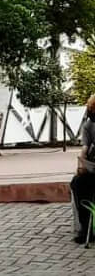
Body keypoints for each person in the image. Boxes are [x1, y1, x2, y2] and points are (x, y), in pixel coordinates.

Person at [72, 93, 95, 243]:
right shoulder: (88, 125)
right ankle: (86, 228)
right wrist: (81, 164)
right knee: (78, 183)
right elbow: (85, 148)